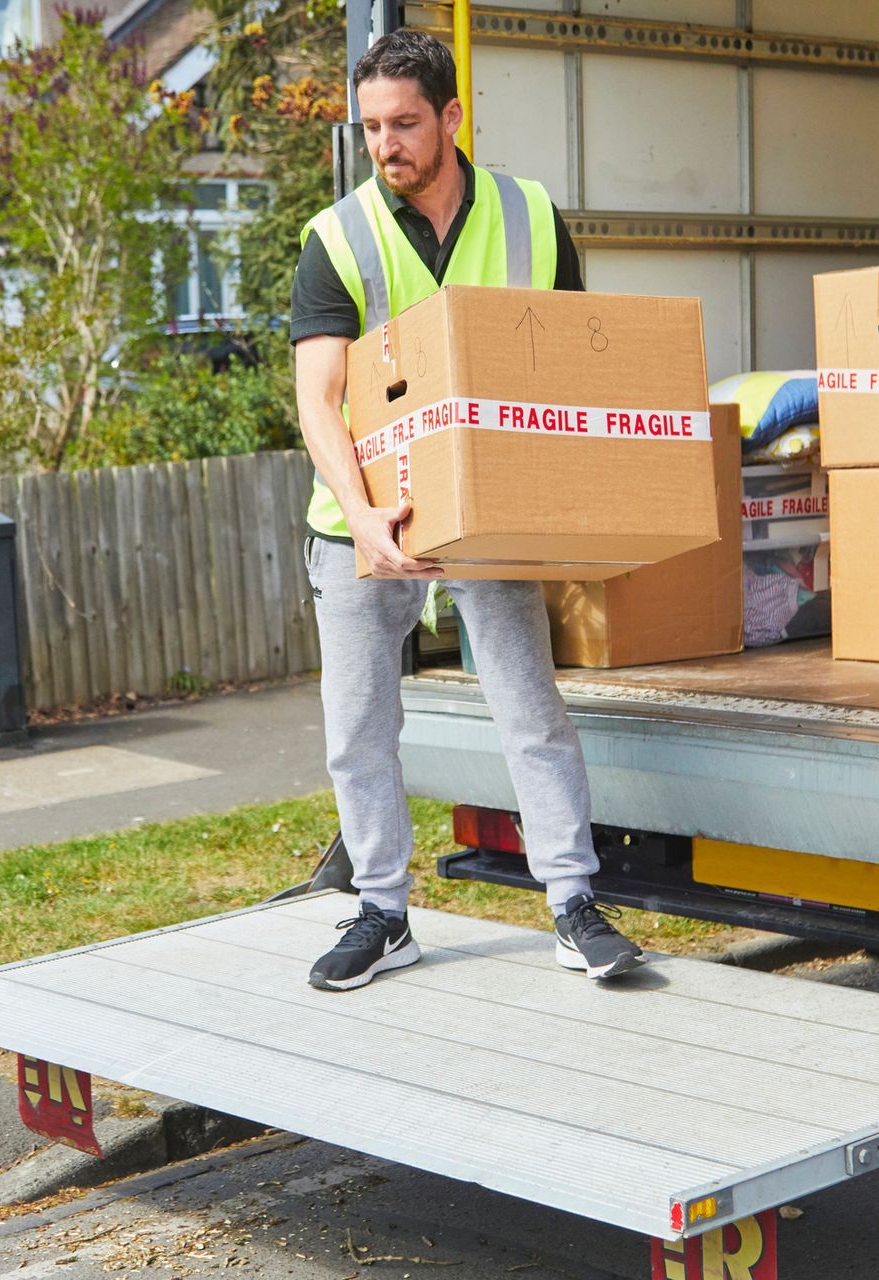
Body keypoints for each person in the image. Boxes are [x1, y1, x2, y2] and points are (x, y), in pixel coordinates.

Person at [291, 28, 644, 991]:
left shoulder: (530, 216)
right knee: (358, 727)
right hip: (361, 520)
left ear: (452, 116)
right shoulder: (338, 238)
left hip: (489, 513)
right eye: (370, 127)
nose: (386, 144)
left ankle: (573, 903)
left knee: (530, 709)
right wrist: (364, 519)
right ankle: (381, 911)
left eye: (405, 122)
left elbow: (571, 364)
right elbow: (318, 398)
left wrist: (572, 502)